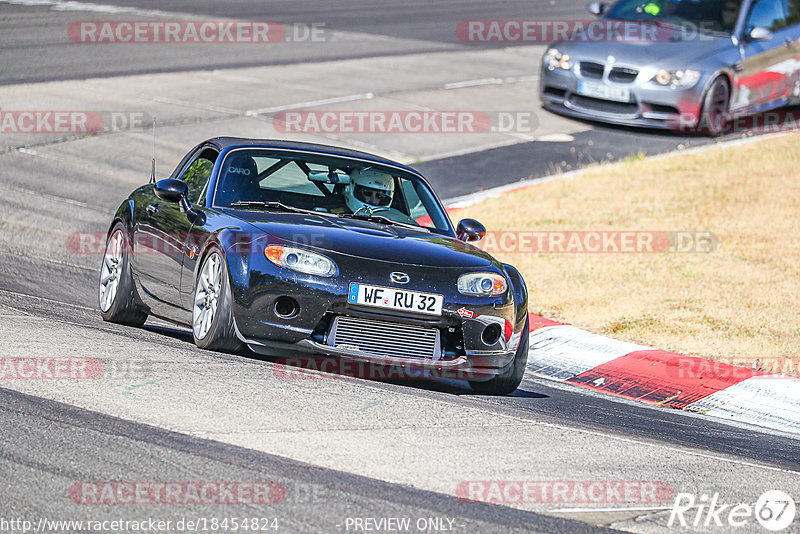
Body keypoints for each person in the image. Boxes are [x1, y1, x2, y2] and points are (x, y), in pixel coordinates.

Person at [344, 168, 416, 224]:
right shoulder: (336, 216)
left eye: (380, 196)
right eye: (368, 193)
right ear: (351, 189)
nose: (374, 201)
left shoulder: (394, 222)